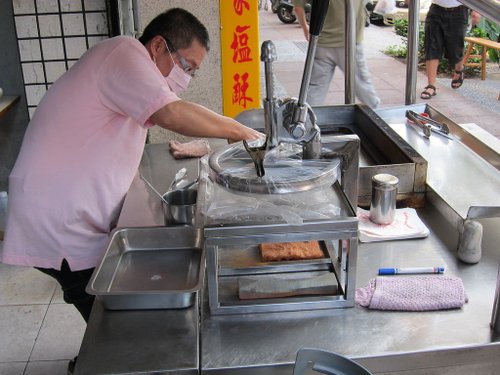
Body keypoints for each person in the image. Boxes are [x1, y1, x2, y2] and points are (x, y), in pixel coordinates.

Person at [0, 8, 262, 324]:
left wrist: (236, 127)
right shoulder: (123, 53)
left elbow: (170, 109)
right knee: (108, 319)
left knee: (104, 308)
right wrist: (238, 130)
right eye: (186, 67)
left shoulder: (124, 67)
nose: (185, 79)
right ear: (158, 46)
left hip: (65, 209)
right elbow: (173, 114)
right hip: (58, 218)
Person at [292, 0, 380, 108]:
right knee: (362, 86)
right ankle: (377, 117)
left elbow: (297, 7)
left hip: (321, 43)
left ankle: (305, 120)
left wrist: (306, 28)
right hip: (349, 42)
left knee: (315, 89)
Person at [420, 0, 480, 99]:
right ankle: (431, 85)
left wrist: (476, 9)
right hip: (436, 9)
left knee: (455, 48)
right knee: (431, 46)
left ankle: (459, 69)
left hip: (459, 11)